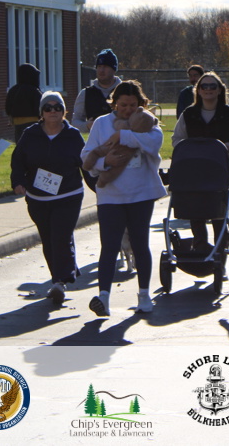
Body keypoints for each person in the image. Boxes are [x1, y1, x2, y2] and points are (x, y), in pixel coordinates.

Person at [82, 80, 167, 315]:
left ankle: (144, 295)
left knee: (140, 243)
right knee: (109, 246)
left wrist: (123, 135)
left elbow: (153, 144)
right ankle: (103, 297)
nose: (128, 110)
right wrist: (104, 162)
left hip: (141, 193)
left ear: (141, 104)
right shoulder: (102, 123)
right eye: (123, 105)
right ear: (114, 104)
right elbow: (86, 155)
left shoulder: (148, 123)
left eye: (132, 105)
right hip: (111, 195)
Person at [11, 92, 86, 306]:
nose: (53, 111)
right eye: (48, 108)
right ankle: (62, 273)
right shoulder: (30, 135)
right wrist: (18, 182)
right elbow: (18, 161)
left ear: (64, 111)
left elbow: (86, 163)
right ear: (41, 113)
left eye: (57, 108)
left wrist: (100, 184)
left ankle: (59, 282)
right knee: (49, 239)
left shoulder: (72, 136)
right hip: (38, 198)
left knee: (61, 236)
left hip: (69, 195)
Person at [173, 71, 229, 250]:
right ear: (198, 90)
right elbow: (177, 139)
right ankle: (200, 246)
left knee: (218, 211)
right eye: (204, 86)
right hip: (194, 170)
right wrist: (187, 150)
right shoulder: (189, 114)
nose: (208, 89)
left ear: (220, 90)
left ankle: (220, 247)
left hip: (221, 171)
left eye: (212, 86)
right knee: (195, 210)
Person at [71, 49, 122, 133]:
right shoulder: (85, 93)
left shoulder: (124, 91)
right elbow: (75, 122)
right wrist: (87, 125)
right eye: (99, 66)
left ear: (114, 69)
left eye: (105, 66)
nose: (101, 70)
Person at [4, 63, 41, 143]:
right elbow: (39, 109)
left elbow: (8, 108)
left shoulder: (13, 90)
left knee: (20, 144)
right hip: (33, 123)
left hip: (17, 124)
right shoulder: (34, 91)